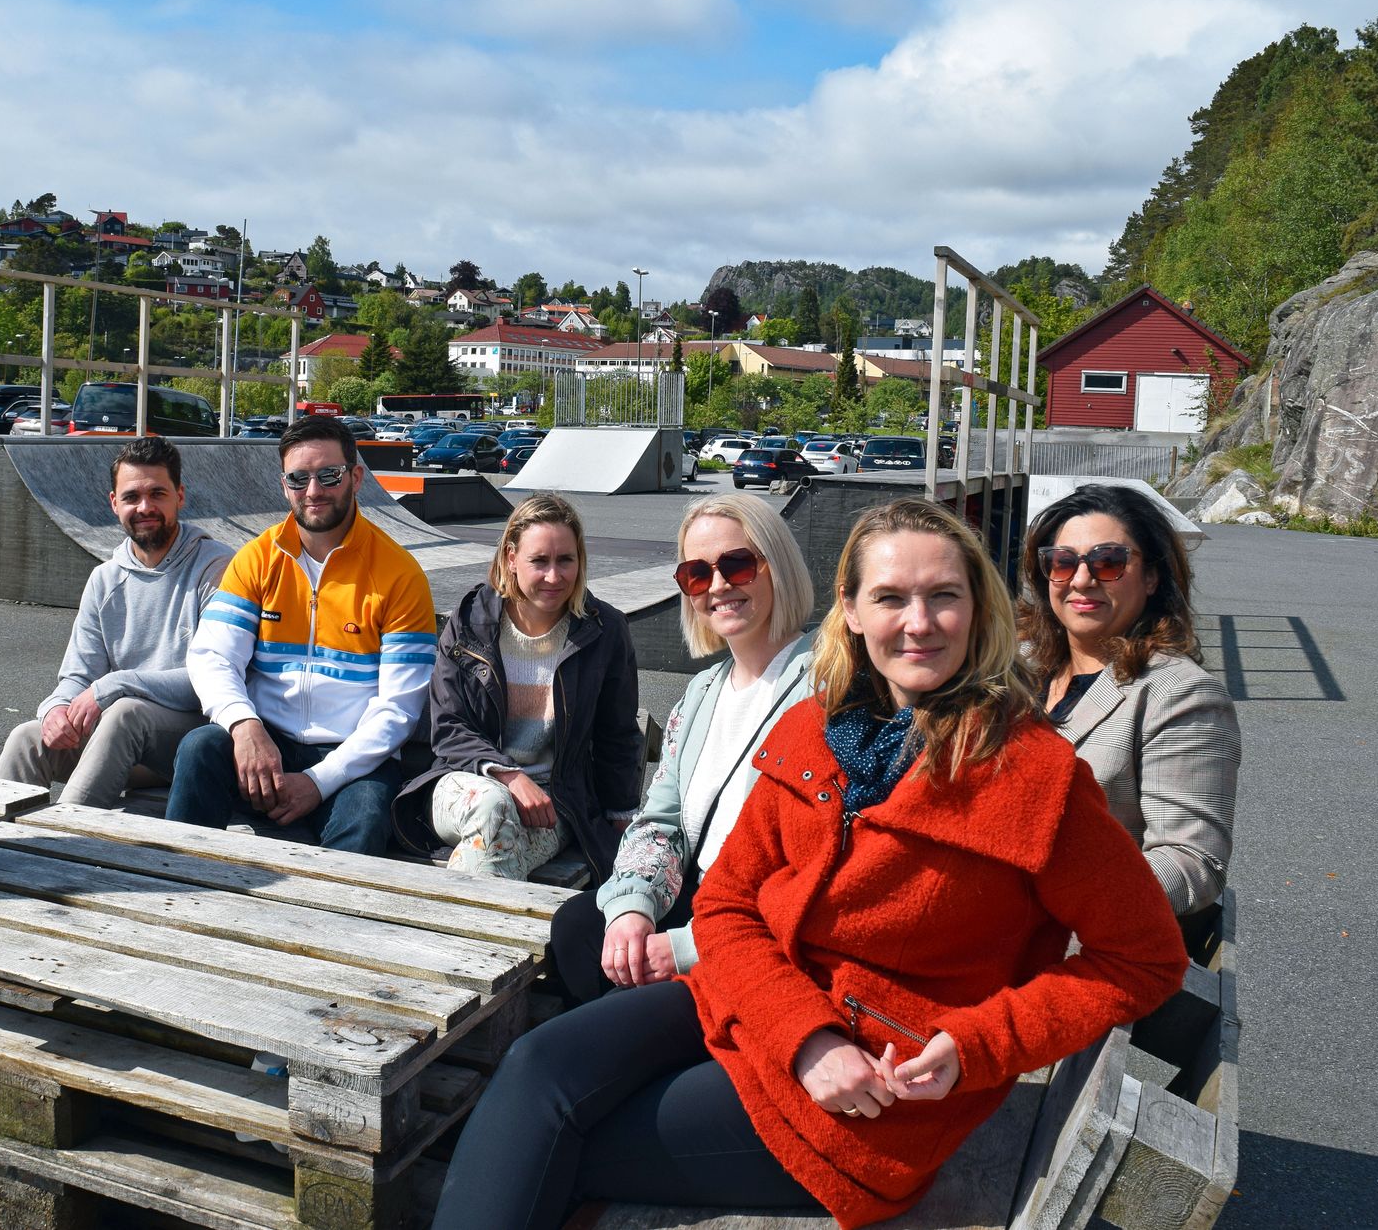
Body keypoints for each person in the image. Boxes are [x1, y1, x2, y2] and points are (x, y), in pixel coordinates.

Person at [433, 498, 1187, 1230]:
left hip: (867, 1092)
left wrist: (983, 1043)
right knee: (535, 1071)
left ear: (979, 609)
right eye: (890, 597)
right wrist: (804, 1033)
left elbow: (1144, 958)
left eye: (943, 597)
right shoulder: (815, 729)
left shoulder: (1034, 776)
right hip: (760, 1003)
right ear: (852, 611)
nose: (918, 622)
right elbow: (726, 902)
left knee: (562, 1142)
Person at [546, 493, 815, 1004]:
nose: (717, 586)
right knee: (579, 930)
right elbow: (662, 818)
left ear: (775, 565)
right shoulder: (702, 693)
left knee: (574, 1036)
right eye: (696, 573)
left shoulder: (823, 683)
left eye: (737, 564)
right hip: (693, 891)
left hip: (754, 921)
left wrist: (688, 945)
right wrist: (633, 904)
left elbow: (809, 863)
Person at [166, 415, 435, 854]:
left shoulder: (399, 574)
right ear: (284, 484)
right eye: (299, 478)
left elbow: (399, 709)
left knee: (366, 817)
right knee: (201, 749)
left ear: (357, 477)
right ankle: (173, 886)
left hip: (354, 758)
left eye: (329, 474)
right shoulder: (257, 558)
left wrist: (318, 780)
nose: (314, 491)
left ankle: (324, 920)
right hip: (265, 743)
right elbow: (211, 655)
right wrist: (244, 724)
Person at [1019, 483, 1241, 933]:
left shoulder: (1179, 696)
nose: (1081, 580)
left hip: (1071, 943)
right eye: (1062, 562)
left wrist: (1051, 896)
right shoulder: (1017, 668)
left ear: (1152, 576)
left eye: (1108, 562)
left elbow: (1192, 864)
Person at [392, 493, 644, 882]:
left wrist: (620, 816)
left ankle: (455, 935)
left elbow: (618, 733)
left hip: (553, 802)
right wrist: (508, 775)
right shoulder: (470, 620)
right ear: (511, 558)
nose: (554, 576)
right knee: (492, 806)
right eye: (538, 561)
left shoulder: (604, 630)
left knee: (493, 847)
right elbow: (448, 728)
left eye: (566, 560)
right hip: (463, 783)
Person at [0, 436, 233, 806]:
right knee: (28, 738)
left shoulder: (217, 568)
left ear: (180, 497)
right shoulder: (105, 579)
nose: (145, 507)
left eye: (158, 494)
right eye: (132, 497)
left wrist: (115, 685)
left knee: (125, 712)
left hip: (192, 743)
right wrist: (55, 709)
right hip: (119, 743)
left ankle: (68, 843)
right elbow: (78, 675)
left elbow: (212, 678)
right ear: (113, 503)